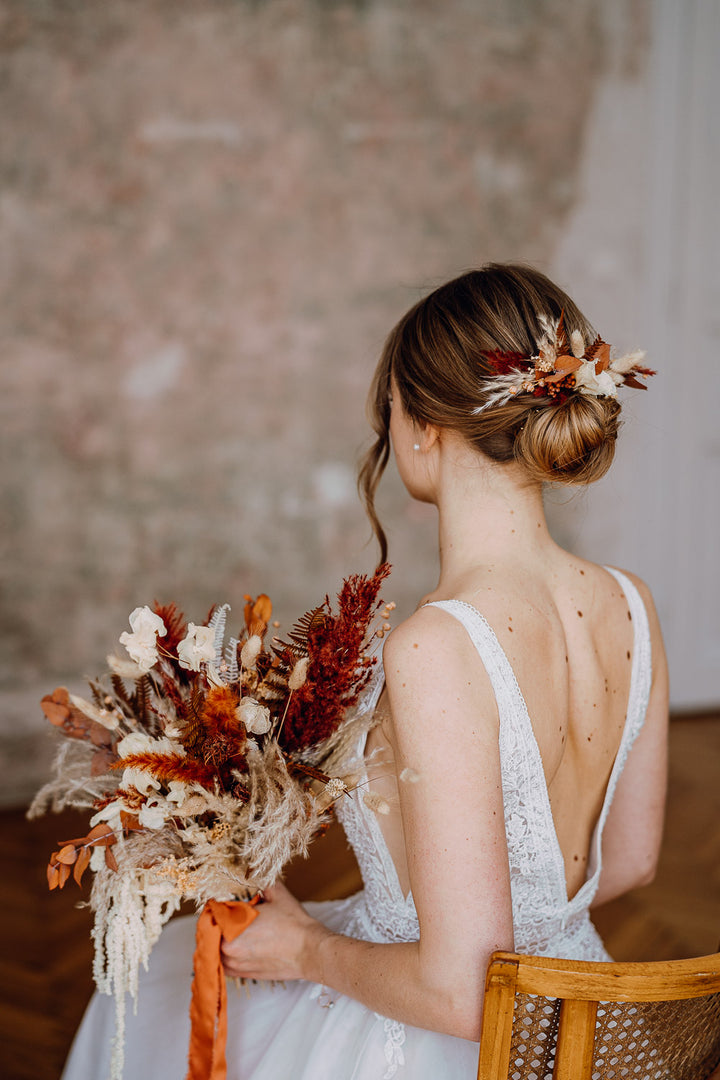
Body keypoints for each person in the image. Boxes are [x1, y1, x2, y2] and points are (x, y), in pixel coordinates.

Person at [62, 264, 668, 1079]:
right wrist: (512, 936)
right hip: (576, 1012)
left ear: (422, 427)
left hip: (446, 1042)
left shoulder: (435, 647)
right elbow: (630, 861)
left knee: (146, 992)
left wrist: (311, 948)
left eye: (389, 410)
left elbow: (462, 995)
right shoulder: (632, 604)